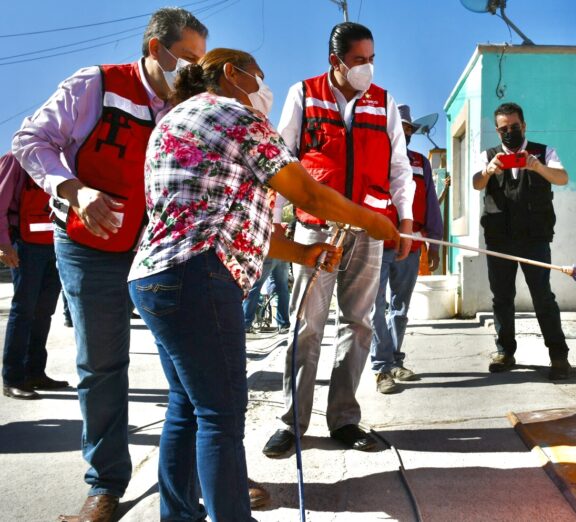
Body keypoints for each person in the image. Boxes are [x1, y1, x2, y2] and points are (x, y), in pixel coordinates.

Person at [127, 48, 398, 521]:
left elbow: (221, 214)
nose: (263, 89)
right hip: (199, 277)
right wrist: (371, 220)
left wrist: (302, 253)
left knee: (187, 407)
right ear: (232, 74)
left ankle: (179, 515)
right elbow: (309, 193)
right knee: (220, 414)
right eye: (259, 77)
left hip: (155, 277)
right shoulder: (235, 115)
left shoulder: (173, 121)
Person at [12, 8, 209, 521]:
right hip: (88, 244)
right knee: (101, 365)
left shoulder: (186, 105)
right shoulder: (94, 85)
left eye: (199, 62)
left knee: (186, 363)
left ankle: (203, 472)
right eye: (185, 59)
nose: (191, 71)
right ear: (153, 48)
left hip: (158, 247)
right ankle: (105, 482)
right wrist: (74, 190)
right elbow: (30, 141)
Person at [262, 21, 415, 457]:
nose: (367, 68)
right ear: (336, 62)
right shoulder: (303, 93)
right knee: (306, 324)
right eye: (358, 60)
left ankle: (345, 419)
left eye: (371, 59)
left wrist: (403, 220)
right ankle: (292, 422)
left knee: (359, 322)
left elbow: (399, 168)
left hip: (368, 227)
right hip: (315, 227)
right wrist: (275, 221)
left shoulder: (383, 102)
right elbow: (279, 159)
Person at [472, 102, 571, 380]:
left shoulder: (543, 152)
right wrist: (490, 170)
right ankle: (505, 352)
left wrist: (538, 167)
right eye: (503, 129)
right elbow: (476, 183)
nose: (509, 132)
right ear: (497, 130)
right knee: (502, 299)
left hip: (534, 239)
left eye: (514, 127)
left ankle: (558, 355)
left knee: (543, 298)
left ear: (524, 126)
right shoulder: (488, 156)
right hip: (499, 240)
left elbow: (562, 178)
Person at [370, 105, 444, 394]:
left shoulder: (420, 163)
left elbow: (432, 205)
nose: (406, 132)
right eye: (400, 127)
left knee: (399, 308)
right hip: (375, 243)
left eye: (409, 129)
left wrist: (433, 242)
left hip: (410, 246)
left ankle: (395, 358)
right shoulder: (374, 158)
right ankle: (381, 368)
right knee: (375, 307)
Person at [0, 152, 68, 400]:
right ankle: (13, 378)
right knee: (23, 311)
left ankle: (35, 372)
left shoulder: (60, 160)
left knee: (44, 311)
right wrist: (3, 244)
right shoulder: (14, 160)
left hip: (55, 243)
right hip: (24, 245)